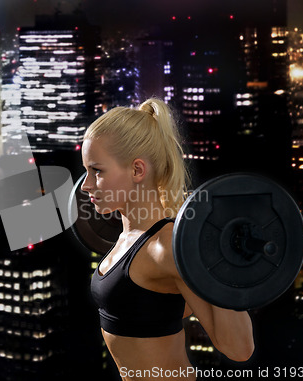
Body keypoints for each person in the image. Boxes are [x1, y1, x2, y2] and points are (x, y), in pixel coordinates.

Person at [81, 98, 255, 381]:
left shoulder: (169, 246)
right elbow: (163, 306)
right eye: (86, 171)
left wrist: (220, 262)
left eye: (97, 171)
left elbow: (239, 348)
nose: (86, 184)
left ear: (137, 170)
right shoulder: (129, 238)